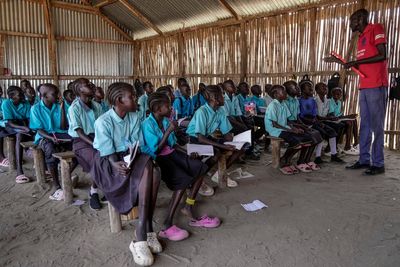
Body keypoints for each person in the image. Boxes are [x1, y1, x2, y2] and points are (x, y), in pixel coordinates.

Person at [90, 82, 161, 266]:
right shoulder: (103, 121)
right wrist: (115, 163)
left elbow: (137, 143)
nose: (135, 99)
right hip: (108, 161)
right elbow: (107, 152)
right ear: (119, 100)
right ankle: (142, 234)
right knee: (149, 169)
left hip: (130, 156)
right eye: (132, 96)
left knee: (153, 170)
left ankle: (144, 232)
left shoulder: (135, 117)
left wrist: (132, 157)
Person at [142, 92, 220, 241]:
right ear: (158, 109)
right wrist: (169, 131)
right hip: (159, 159)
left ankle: (188, 205)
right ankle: (167, 223)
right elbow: (156, 150)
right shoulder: (148, 124)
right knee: (182, 180)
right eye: (168, 106)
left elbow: (173, 144)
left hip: (173, 153)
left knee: (200, 167)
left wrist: (188, 152)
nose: (171, 108)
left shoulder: (166, 121)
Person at [325, 8, 388, 175]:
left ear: (360, 19)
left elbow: (382, 55)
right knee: (365, 125)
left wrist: (356, 62)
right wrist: (351, 64)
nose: (350, 23)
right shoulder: (360, 39)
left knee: (377, 126)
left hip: (376, 85)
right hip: (364, 86)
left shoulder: (376, 28)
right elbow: (363, 64)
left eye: (352, 20)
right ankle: (364, 159)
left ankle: (378, 163)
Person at [186, 85, 245, 188]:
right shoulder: (202, 111)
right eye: (222, 95)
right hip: (195, 139)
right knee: (216, 153)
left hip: (208, 137)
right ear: (214, 98)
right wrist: (224, 146)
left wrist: (235, 142)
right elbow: (200, 138)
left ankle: (218, 174)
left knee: (241, 148)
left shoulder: (220, 110)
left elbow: (226, 134)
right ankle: (198, 178)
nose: (224, 97)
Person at [30, 83, 73, 201]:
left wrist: (62, 108)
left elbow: (64, 127)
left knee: (78, 145)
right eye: (54, 94)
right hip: (44, 136)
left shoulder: (60, 105)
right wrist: (51, 138)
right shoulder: (36, 108)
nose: (58, 96)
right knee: (49, 148)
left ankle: (66, 175)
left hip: (60, 134)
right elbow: (39, 129)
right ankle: (56, 185)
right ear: (44, 96)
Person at [68, 78, 104, 210]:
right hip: (81, 141)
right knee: (98, 157)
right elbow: (79, 132)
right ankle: (94, 191)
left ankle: (108, 186)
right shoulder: (74, 108)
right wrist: (95, 144)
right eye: (87, 85)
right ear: (79, 90)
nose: (91, 85)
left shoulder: (97, 105)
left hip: (97, 138)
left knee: (113, 154)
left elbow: (102, 126)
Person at [265, 85, 315, 175]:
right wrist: (291, 131)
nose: (286, 94)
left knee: (307, 138)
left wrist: (294, 128)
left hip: (283, 127)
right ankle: (284, 161)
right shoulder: (272, 105)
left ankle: (288, 159)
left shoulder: (283, 103)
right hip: (275, 130)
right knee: (296, 142)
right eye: (283, 92)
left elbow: (287, 121)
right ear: (276, 94)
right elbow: (274, 124)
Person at [298, 80, 344, 164]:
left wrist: (319, 121)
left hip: (316, 121)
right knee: (321, 133)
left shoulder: (313, 101)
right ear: (303, 90)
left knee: (332, 131)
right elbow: (300, 116)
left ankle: (334, 155)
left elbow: (315, 115)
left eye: (326, 87)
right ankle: (317, 157)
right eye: (309, 88)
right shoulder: (300, 101)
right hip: (306, 122)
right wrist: (317, 121)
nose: (325, 88)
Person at [283, 81, 323, 170]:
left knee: (316, 134)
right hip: (287, 125)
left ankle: (306, 159)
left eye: (297, 86)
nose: (298, 89)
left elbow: (297, 117)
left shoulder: (296, 101)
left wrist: (303, 125)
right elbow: (286, 121)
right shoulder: (285, 102)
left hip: (295, 123)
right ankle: (290, 159)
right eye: (295, 87)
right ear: (287, 90)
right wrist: (301, 126)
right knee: (307, 137)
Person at [2, 86, 33, 183]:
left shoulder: (26, 103)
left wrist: (29, 128)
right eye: (19, 95)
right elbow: (10, 122)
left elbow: (28, 119)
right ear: (12, 97)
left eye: (22, 93)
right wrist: (24, 128)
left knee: (36, 132)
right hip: (10, 126)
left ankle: (44, 166)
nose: (22, 96)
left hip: (22, 124)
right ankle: (19, 172)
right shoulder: (6, 103)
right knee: (19, 135)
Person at [314, 82, 347, 155]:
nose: (325, 88)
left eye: (326, 87)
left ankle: (333, 151)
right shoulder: (315, 101)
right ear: (317, 90)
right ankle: (329, 149)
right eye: (323, 87)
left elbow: (328, 114)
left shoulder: (327, 101)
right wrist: (330, 118)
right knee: (335, 127)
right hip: (318, 121)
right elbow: (316, 116)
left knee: (340, 125)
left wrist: (331, 118)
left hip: (325, 120)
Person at [329, 87, 359, 155]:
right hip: (332, 120)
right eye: (336, 94)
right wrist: (347, 117)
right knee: (349, 122)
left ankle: (356, 143)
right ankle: (347, 147)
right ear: (332, 94)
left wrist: (348, 116)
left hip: (338, 119)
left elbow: (340, 115)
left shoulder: (339, 102)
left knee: (354, 120)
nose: (338, 95)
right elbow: (333, 116)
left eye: (339, 94)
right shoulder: (330, 102)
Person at [0, 85, 9, 168]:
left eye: (0, 90)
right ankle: (1, 157)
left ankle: (15, 157)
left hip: (5, 123)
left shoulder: (5, 101)